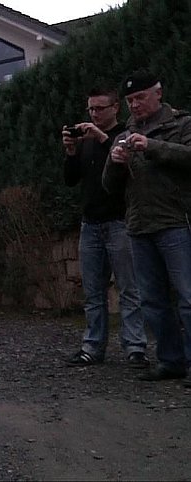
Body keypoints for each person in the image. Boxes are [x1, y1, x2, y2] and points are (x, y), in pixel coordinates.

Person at [103, 70, 191, 387]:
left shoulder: (181, 124)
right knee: (152, 300)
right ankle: (171, 361)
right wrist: (114, 161)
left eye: (140, 98)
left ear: (158, 93)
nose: (135, 105)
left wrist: (152, 145)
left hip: (176, 222)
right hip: (139, 226)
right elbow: (109, 187)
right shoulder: (123, 135)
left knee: (187, 296)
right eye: (130, 101)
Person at [61, 87, 149, 368]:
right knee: (93, 291)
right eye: (91, 109)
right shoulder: (86, 140)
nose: (94, 114)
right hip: (91, 223)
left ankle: (136, 348)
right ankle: (92, 347)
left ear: (115, 108)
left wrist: (101, 139)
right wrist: (72, 152)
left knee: (129, 289)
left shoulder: (125, 135)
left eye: (100, 108)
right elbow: (70, 180)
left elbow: (125, 169)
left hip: (120, 221)